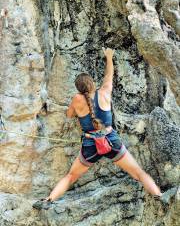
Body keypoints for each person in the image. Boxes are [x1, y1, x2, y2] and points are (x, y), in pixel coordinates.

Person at [32, 48, 162, 210]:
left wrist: (77, 108)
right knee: (138, 173)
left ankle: (48, 200)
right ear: (92, 83)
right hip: (110, 140)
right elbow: (109, 76)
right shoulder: (105, 92)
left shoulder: (76, 99)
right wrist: (109, 57)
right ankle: (159, 196)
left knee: (71, 176)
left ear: (79, 88)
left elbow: (70, 115)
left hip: (90, 145)